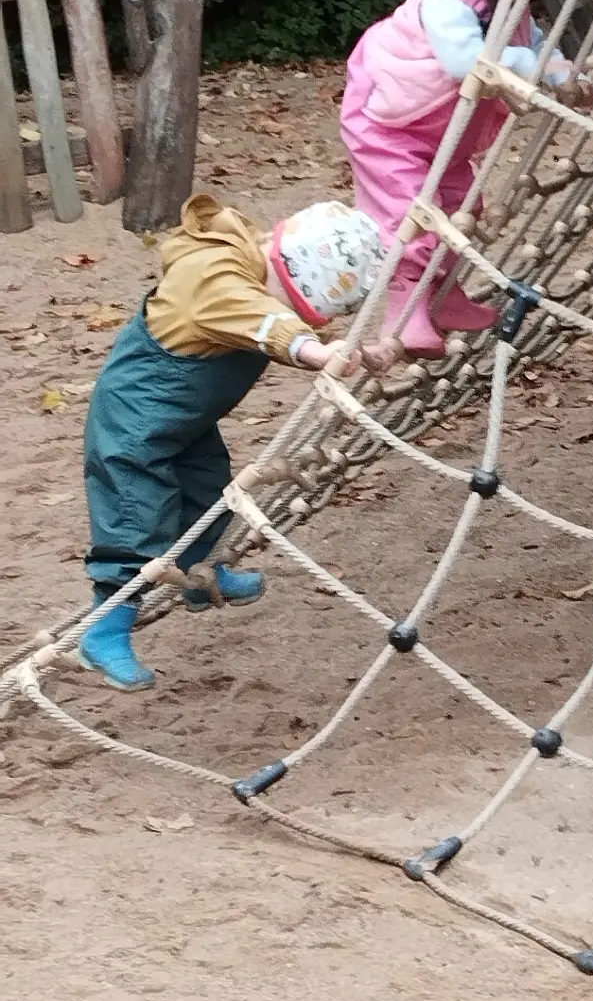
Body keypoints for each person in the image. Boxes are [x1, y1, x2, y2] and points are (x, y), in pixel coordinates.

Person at [80, 194, 388, 693]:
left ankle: (202, 576)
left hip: (185, 419)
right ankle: (105, 627)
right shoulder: (215, 279)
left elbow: (269, 321)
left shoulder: (251, 277)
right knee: (135, 515)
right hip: (133, 422)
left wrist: (349, 351)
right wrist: (310, 348)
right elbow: (261, 322)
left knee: (209, 490)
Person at [341, 0, 593, 358]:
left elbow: (530, 41)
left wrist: (563, 71)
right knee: (409, 214)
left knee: (462, 210)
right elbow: (466, 63)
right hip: (386, 123)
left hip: (440, 130)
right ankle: (402, 311)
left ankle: (441, 296)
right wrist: (533, 66)